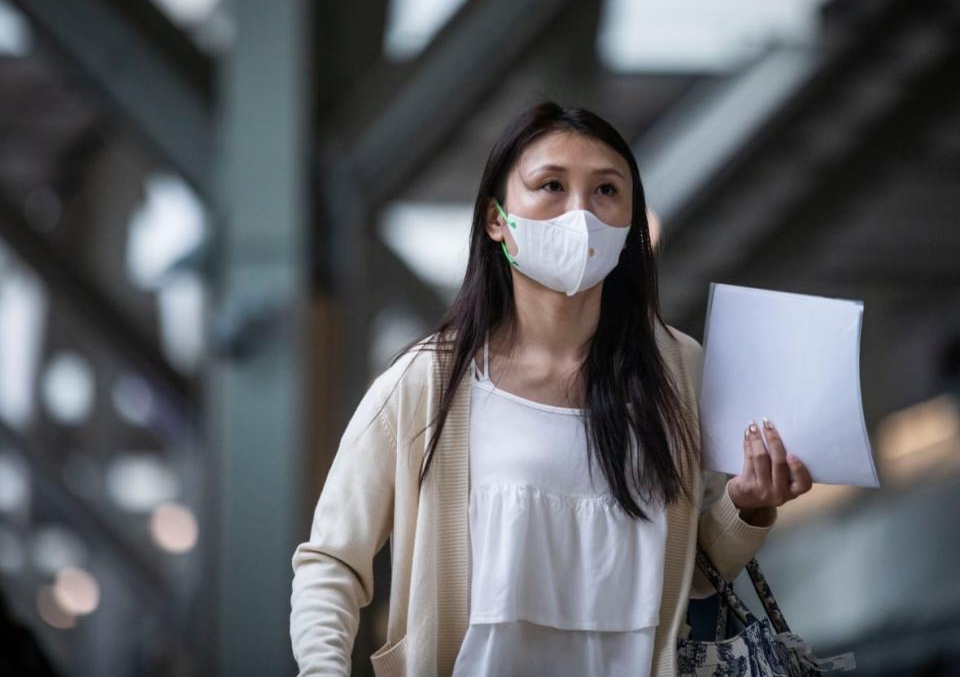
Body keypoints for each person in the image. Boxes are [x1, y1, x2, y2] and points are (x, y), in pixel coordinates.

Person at [290, 100, 814, 677]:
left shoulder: (676, 368)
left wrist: (748, 505)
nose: (580, 214)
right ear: (496, 220)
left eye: (606, 191)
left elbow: (693, 572)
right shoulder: (427, 382)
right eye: (551, 186)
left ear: (631, 223)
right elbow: (331, 561)